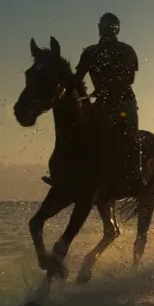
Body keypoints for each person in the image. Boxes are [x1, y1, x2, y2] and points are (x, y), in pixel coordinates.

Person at [44, 12, 142, 188]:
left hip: (124, 102)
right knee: (77, 129)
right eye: (101, 26)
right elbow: (78, 78)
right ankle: (67, 172)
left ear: (115, 29)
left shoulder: (126, 50)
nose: (102, 29)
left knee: (129, 134)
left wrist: (108, 87)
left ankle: (136, 174)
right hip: (102, 103)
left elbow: (130, 79)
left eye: (106, 26)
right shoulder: (90, 52)